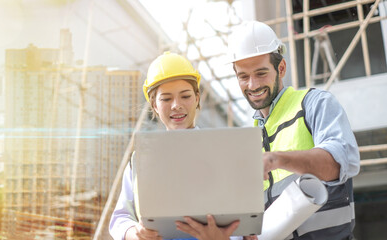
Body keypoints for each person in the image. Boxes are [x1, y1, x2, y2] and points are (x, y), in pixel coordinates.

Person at [225, 21, 360, 239]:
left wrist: (277, 159)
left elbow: (340, 161)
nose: (252, 85)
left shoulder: (314, 103)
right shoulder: (248, 139)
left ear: (281, 68)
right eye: (243, 76)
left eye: (261, 73)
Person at [108, 51, 241, 240]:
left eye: (185, 96)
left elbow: (241, 220)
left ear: (197, 98)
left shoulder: (222, 153)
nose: (176, 105)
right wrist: (135, 234)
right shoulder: (141, 159)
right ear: (154, 105)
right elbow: (120, 217)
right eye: (166, 99)